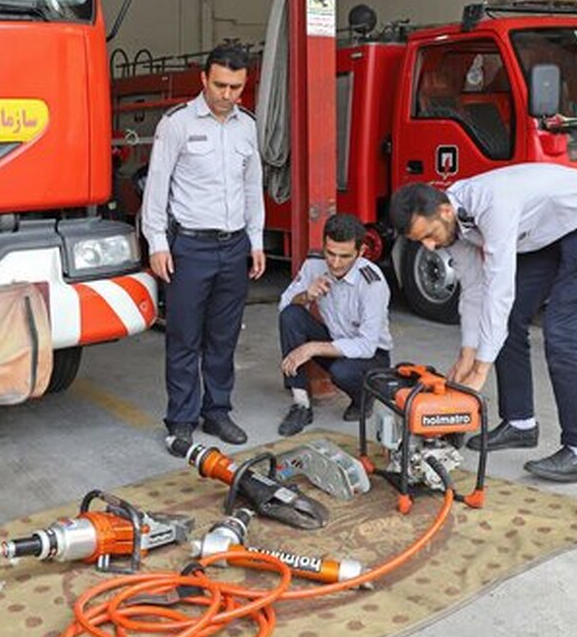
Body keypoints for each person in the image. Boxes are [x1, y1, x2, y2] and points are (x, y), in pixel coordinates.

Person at [389, 164, 577, 482]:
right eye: (421, 241)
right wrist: (467, 354)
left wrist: (481, 370)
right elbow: (472, 291)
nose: (429, 246)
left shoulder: (492, 206)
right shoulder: (452, 226)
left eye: (429, 235)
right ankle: (520, 422)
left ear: (444, 211)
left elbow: (499, 290)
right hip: (545, 233)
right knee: (509, 320)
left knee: (563, 331)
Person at [141, 44, 266, 448]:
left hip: (234, 248)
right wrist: (157, 242)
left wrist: (257, 240)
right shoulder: (177, 123)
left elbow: (253, 188)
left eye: (235, 87)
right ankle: (181, 418)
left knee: (223, 337)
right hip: (190, 248)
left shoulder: (247, 125)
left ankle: (217, 412)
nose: (226, 95)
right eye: (219, 85)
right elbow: (156, 186)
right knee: (184, 337)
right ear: (203, 80)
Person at [277, 214, 392, 436]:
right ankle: (301, 404)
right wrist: (306, 296)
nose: (335, 263)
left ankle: (363, 399)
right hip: (335, 341)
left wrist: (311, 348)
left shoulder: (372, 281)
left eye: (345, 256)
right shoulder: (314, 265)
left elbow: (366, 345)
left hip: (372, 355)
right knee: (291, 315)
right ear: (324, 246)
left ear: (360, 253)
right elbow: (283, 305)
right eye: (330, 253)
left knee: (342, 371)